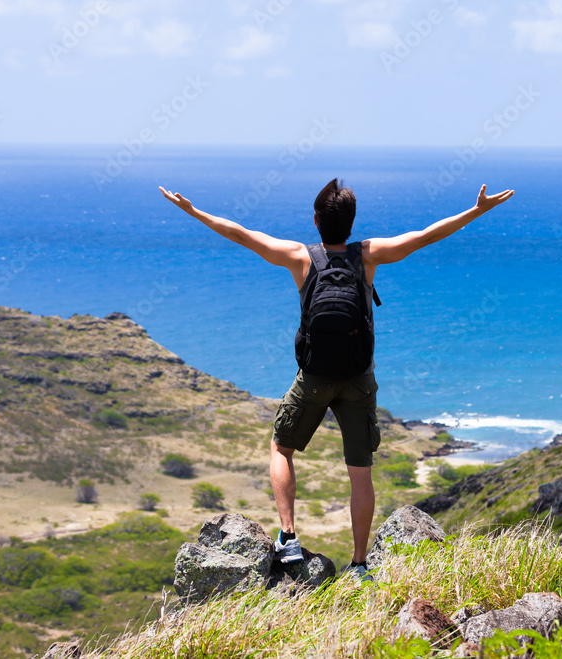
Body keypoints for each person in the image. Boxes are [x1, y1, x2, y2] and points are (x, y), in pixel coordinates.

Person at [158, 179, 514, 580]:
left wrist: (193, 211)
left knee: (281, 448)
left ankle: (288, 536)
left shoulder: (299, 257)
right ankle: (359, 564)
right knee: (359, 470)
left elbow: (240, 233)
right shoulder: (368, 254)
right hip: (359, 379)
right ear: (352, 222)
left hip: (313, 377)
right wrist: (477, 210)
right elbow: (426, 236)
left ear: (315, 220)